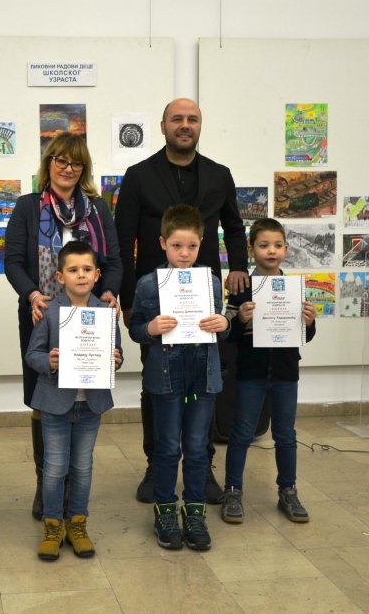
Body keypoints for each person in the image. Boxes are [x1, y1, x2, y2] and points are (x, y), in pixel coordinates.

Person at [114, 97, 249, 504]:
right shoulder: (138, 176)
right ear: (163, 126)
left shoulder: (220, 175)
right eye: (177, 119)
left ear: (200, 126)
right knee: (156, 384)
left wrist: (238, 267)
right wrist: (127, 299)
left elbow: (234, 227)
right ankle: (156, 464)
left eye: (192, 119)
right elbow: (123, 238)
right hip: (154, 300)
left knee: (203, 382)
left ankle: (202, 467)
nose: (185, 125)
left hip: (204, 299)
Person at [5, 133, 122, 520]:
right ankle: (47, 482)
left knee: (84, 398)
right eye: (61, 160)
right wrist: (32, 295)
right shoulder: (27, 206)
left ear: (83, 168)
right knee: (43, 397)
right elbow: (14, 262)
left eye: (76, 162)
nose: (68, 168)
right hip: (42, 315)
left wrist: (110, 292)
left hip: (89, 318)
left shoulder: (98, 209)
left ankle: (73, 485)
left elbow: (114, 261)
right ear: (49, 163)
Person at [129, 204, 229, 551]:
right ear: (162, 243)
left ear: (201, 244)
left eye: (192, 246)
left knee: (198, 448)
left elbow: (221, 326)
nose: (184, 253)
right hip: (166, 377)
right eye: (176, 246)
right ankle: (166, 511)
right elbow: (135, 329)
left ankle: (195, 512)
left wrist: (224, 324)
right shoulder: (147, 284)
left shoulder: (211, 282)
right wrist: (150, 328)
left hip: (203, 376)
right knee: (168, 448)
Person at [26, 241, 123, 560]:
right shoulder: (49, 311)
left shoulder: (106, 312)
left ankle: (77, 524)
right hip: (55, 403)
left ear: (97, 275)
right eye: (73, 270)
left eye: (87, 269)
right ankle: (53, 525)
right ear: (60, 276)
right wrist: (49, 362)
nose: (81, 275)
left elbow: (118, 355)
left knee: (82, 467)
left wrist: (116, 359)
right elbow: (32, 354)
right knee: (55, 467)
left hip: (90, 404)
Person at [221, 218, 317, 524]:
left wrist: (310, 322)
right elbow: (228, 335)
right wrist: (240, 319)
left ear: (286, 249)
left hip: (286, 374)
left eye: (277, 245)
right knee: (242, 433)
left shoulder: (294, 288)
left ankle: (288, 490)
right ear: (251, 250)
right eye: (263, 245)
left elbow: (305, 336)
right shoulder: (242, 289)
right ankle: (233, 491)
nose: (271, 251)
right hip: (251, 373)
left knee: (285, 435)